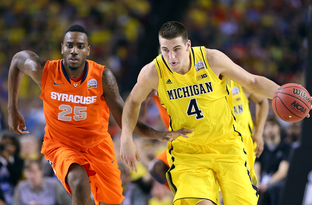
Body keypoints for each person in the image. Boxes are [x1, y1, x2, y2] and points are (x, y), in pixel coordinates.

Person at [7, 25, 190, 205]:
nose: (74, 51)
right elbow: (17, 60)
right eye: (69, 45)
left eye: (80, 46)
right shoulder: (43, 70)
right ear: (62, 48)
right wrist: (12, 109)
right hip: (61, 144)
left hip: (98, 146)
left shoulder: (102, 77)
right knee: (79, 183)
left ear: (87, 50)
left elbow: (124, 119)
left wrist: (158, 134)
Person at [120, 21, 283, 205]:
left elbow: (253, 82)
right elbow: (133, 101)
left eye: (177, 49)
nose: (171, 56)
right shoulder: (153, 72)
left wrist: (282, 93)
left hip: (227, 145)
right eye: (165, 50)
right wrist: (126, 136)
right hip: (190, 151)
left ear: (188, 45)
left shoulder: (211, 59)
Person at [254, 116, 291, 205]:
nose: (269, 129)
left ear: (279, 128)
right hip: (262, 181)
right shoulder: (260, 148)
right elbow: (256, 167)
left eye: (272, 125)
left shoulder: (286, 147)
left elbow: (283, 172)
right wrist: (258, 183)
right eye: (266, 126)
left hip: (277, 182)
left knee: (273, 188)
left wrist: (267, 183)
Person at [0, 130, 24, 205]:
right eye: (6, 144)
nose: (8, 147)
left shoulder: (19, 160)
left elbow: (16, 177)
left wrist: (8, 161)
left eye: (11, 144)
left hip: (14, 193)